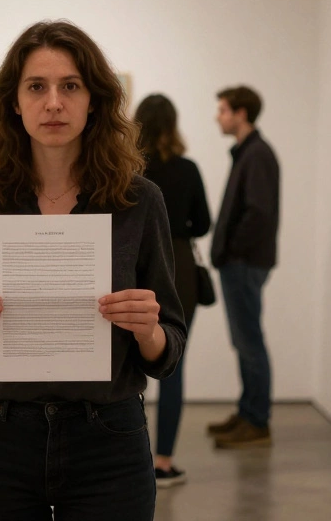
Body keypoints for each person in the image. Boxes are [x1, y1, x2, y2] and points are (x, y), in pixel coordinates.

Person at [0, 21, 187, 521]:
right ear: (13, 103)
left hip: (109, 439)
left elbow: (168, 349)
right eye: (36, 87)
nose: (53, 103)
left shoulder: (139, 201)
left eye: (70, 86)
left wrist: (148, 329)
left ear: (95, 100)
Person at [133, 94, 211, 488]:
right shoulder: (187, 168)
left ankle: (133, 458)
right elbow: (203, 223)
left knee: (128, 362)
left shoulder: (128, 169)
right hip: (179, 265)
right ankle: (163, 460)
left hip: (134, 267)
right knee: (172, 358)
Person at [207, 86, 280, 448]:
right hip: (242, 262)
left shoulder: (257, 155)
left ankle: (257, 420)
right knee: (244, 340)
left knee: (249, 341)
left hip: (245, 263)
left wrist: (232, 251)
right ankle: (248, 411)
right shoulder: (247, 153)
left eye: (222, 110)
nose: (218, 116)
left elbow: (259, 213)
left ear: (241, 113)